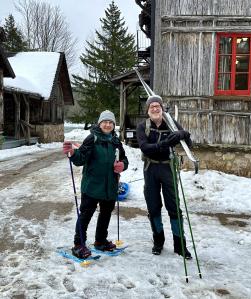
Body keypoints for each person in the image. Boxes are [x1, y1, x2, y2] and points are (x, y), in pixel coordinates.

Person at [63, 110, 128, 259]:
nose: (108, 124)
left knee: (105, 215)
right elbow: (81, 159)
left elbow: (124, 159)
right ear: (100, 123)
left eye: (111, 122)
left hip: (110, 186)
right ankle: (79, 244)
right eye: (105, 122)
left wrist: (122, 165)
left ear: (114, 125)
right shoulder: (92, 138)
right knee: (85, 215)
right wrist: (73, 153)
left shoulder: (116, 141)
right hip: (92, 186)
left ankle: (100, 241)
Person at [136, 95, 192, 259]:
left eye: (157, 106)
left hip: (168, 168)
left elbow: (189, 144)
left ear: (162, 108)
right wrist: (167, 143)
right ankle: (158, 241)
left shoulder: (171, 124)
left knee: (174, 207)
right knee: (153, 207)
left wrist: (183, 134)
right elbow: (145, 148)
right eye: (151, 106)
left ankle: (180, 245)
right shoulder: (143, 126)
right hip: (151, 168)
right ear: (148, 110)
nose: (154, 108)